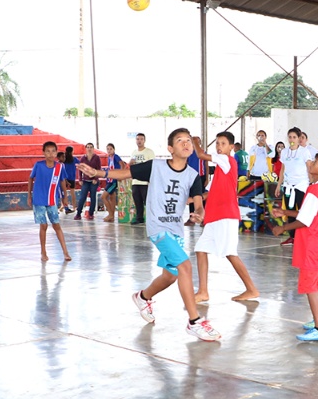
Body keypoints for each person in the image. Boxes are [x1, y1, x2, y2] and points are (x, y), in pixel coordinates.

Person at [81, 128, 220, 341]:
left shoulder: (193, 176)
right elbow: (126, 173)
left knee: (171, 275)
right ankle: (194, 322)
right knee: (185, 266)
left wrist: (199, 214)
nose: (186, 144)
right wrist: (99, 174)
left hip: (176, 230)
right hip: (158, 228)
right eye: (180, 141)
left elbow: (199, 204)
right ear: (170, 149)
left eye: (189, 141)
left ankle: (143, 296)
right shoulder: (156, 166)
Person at [271, 150, 318, 342]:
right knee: (316, 284)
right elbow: (309, 213)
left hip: (313, 244)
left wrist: (282, 228)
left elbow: (304, 220)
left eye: (316, 162)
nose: (310, 163)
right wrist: (284, 211)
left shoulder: (314, 190)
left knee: (310, 286)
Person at [192, 133, 260, 302]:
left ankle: (251, 289)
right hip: (214, 218)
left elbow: (200, 155)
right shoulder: (219, 171)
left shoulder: (227, 160)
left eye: (223, 143)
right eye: (217, 143)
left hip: (225, 216)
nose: (219, 146)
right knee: (200, 250)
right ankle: (203, 291)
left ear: (231, 147)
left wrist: (194, 141)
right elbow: (207, 193)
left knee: (230, 253)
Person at [28, 141, 72, 262]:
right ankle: (43, 251)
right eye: (48, 151)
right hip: (38, 200)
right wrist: (29, 196)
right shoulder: (38, 165)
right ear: (44, 153)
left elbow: (62, 181)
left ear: (56, 152)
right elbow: (31, 178)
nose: (51, 154)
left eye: (53, 151)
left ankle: (65, 252)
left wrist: (65, 196)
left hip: (52, 200)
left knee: (57, 225)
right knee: (44, 225)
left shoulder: (59, 167)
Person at [275, 127, 313, 246]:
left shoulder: (304, 151)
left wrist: (311, 183)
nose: (292, 139)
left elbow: (309, 167)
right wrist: (278, 185)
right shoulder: (285, 152)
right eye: (290, 137)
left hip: (301, 185)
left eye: (294, 137)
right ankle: (293, 237)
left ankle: (304, 236)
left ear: (299, 138)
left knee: (301, 211)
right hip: (288, 185)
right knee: (290, 211)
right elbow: (283, 169)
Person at [129, 133, 155, 224]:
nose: (139, 141)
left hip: (145, 181)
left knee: (148, 201)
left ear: (144, 140)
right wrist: (130, 163)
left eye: (141, 139)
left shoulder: (149, 152)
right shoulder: (134, 152)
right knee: (137, 200)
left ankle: (152, 218)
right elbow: (130, 165)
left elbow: (152, 166)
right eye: (137, 139)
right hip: (135, 181)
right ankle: (139, 218)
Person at [74, 143, 101, 220]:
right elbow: (80, 169)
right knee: (82, 197)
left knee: (93, 197)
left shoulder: (96, 158)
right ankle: (78, 213)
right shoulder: (83, 158)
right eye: (88, 147)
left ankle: (91, 213)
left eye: (91, 147)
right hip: (85, 180)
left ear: (93, 148)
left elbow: (99, 169)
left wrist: (96, 178)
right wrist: (80, 179)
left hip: (93, 181)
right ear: (86, 149)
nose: (89, 149)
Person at [102, 143, 124, 222]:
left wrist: (121, 175)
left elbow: (122, 164)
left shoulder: (116, 156)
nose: (109, 150)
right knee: (112, 197)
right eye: (107, 149)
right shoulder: (109, 158)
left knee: (103, 197)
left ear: (114, 149)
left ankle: (110, 214)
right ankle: (112, 216)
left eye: (111, 149)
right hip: (109, 179)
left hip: (114, 180)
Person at [62, 145, 78, 214]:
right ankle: (74, 207)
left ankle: (64, 206)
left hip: (64, 178)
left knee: (64, 193)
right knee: (72, 193)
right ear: (72, 151)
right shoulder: (74, 159)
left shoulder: (64, 159)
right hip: (72, 177)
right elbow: (80, 164)